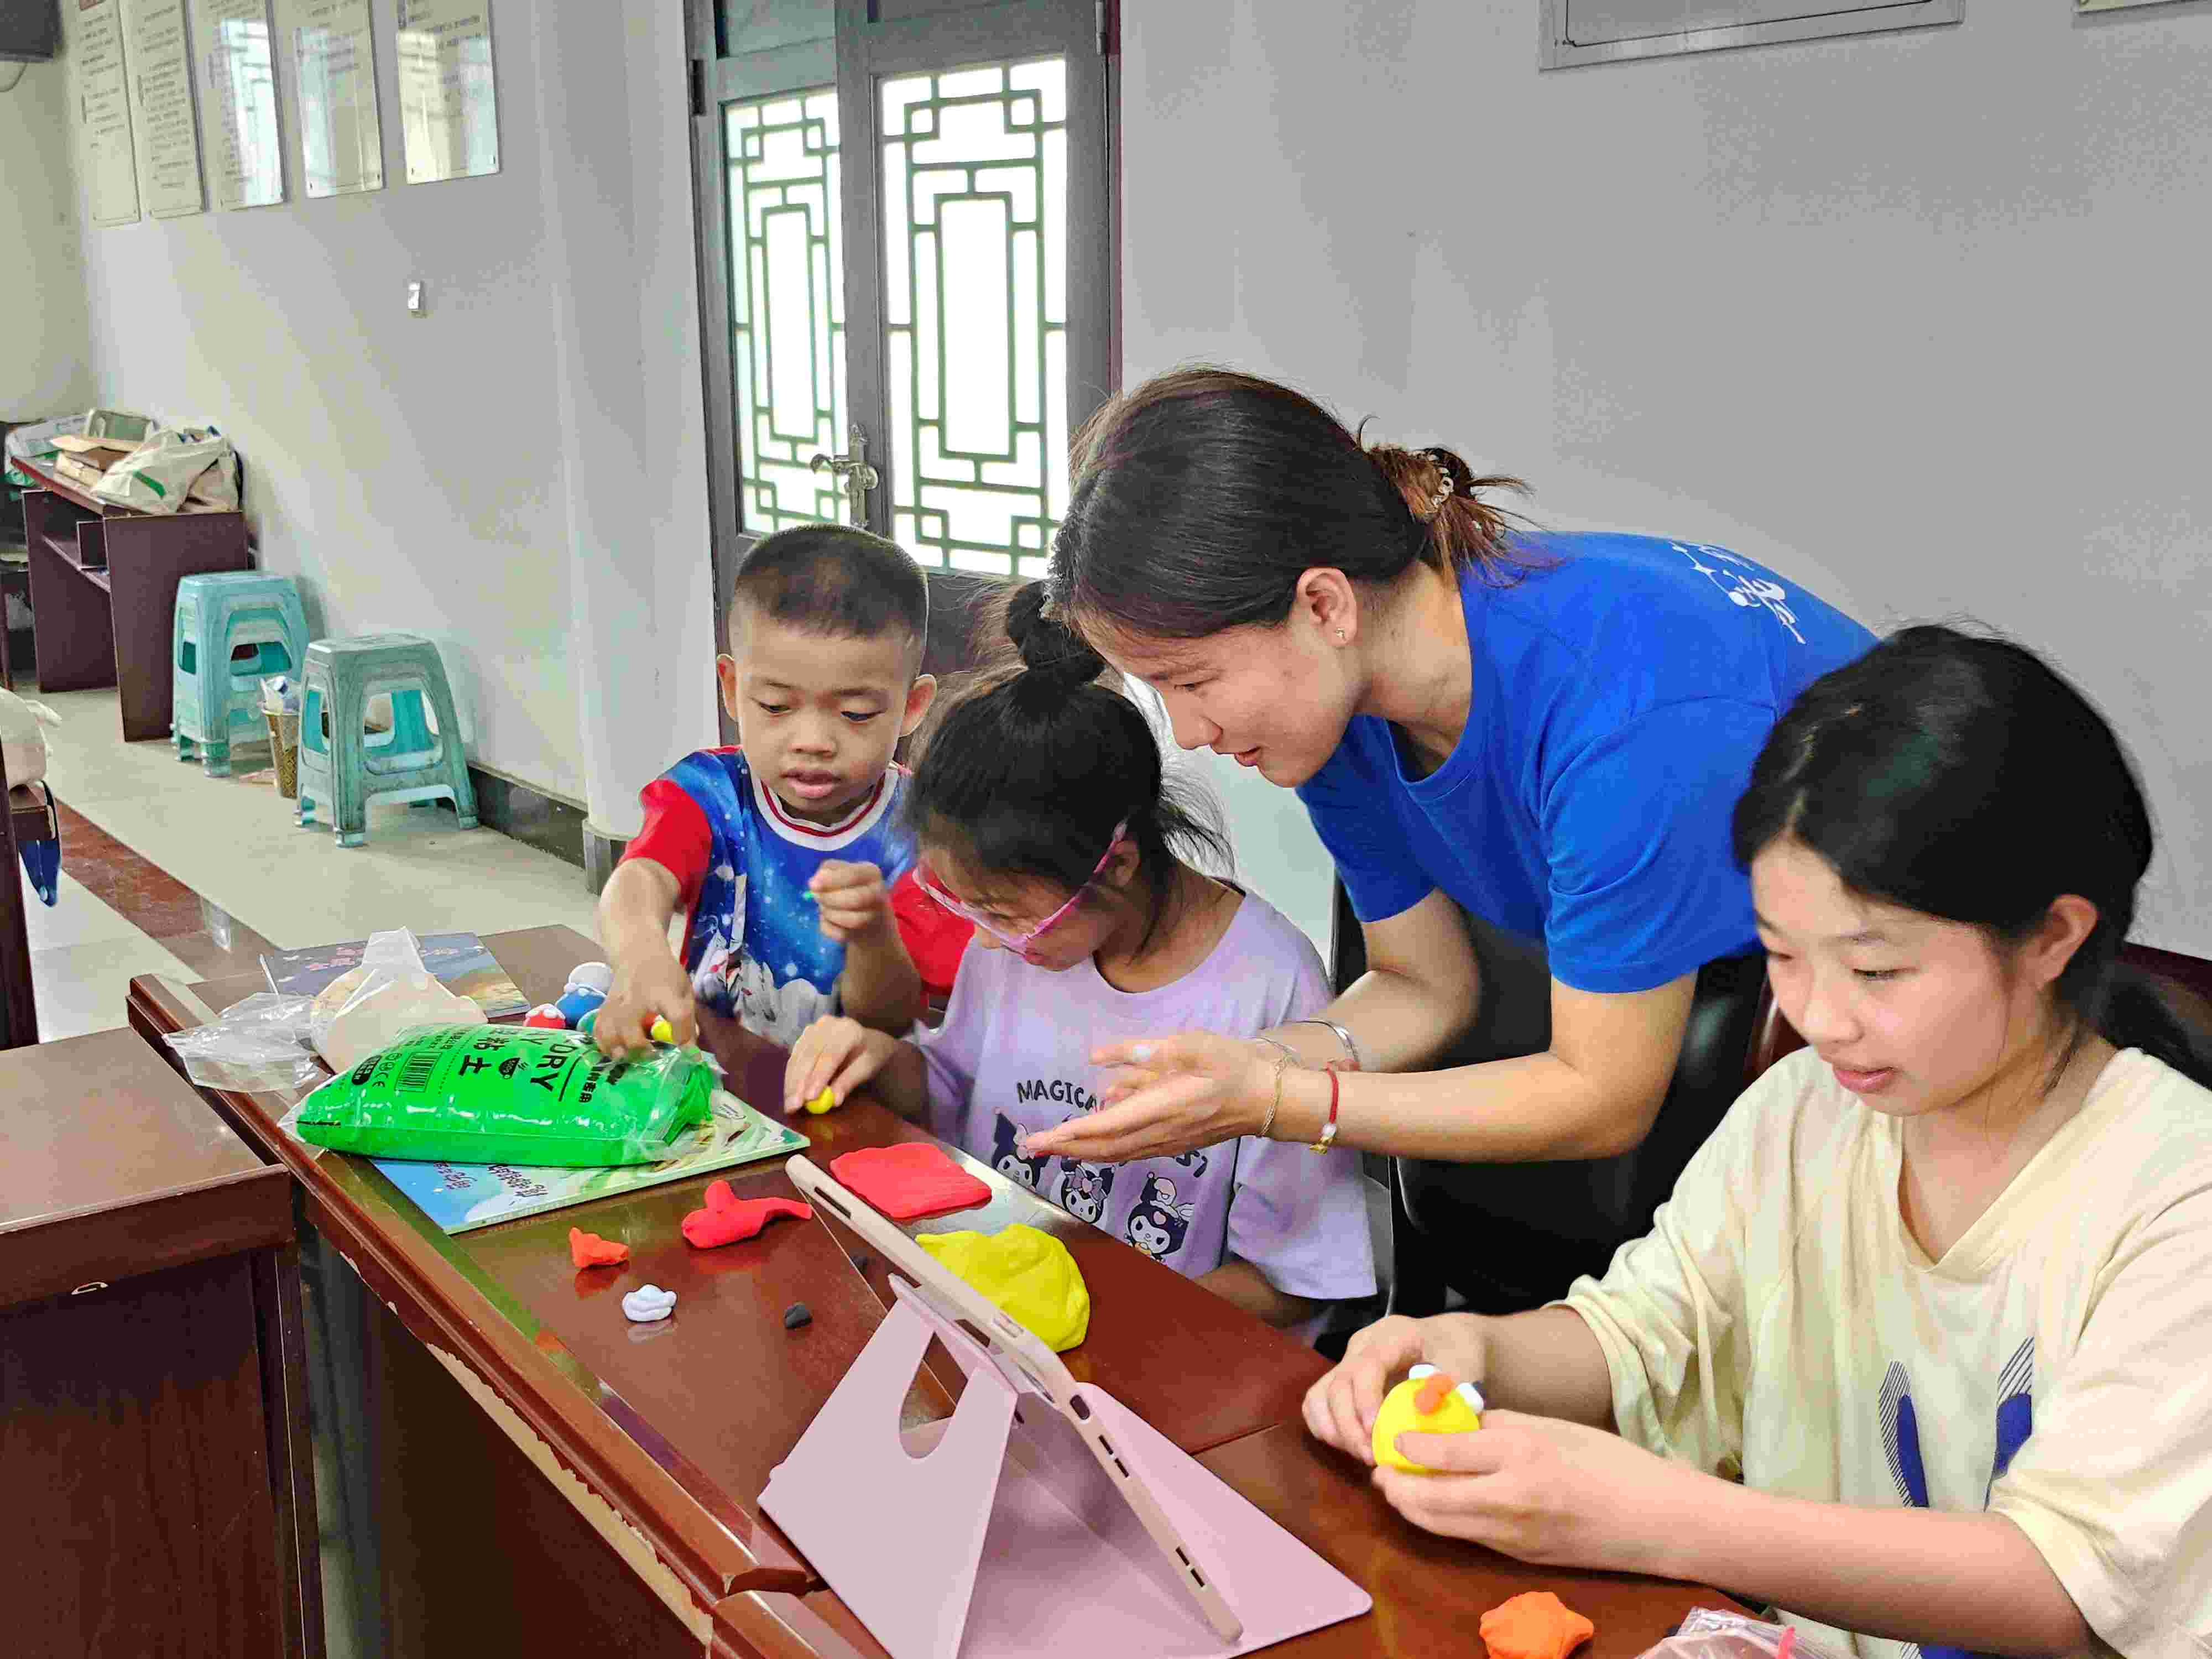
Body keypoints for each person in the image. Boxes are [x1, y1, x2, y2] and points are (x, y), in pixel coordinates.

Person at [1303, 626, 2212, 1656]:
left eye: (1876, 973)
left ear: (2054, 936)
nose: (1820, 1017)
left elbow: (2071, 1589)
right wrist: (1478, 1351)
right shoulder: (1807, 1114)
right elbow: (1649, 1329)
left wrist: (1661, 1518)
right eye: (1783, 956)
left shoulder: (2177, 1196)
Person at [1023, 369, 1873, 1220]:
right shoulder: (1345, 720)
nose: (1191, 732)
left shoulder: (1623, 718)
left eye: (1194, 680)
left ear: (1324, 605)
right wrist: (1241, 1069)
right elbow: (1424, 985)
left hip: (1897, 1009)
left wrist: (1276, 1103)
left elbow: (1603, 1095)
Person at [784, 586, 1377, 1331]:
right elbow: (949, 1096)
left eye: (1003, 914)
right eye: (970, 909)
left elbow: (1294, 1284)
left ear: (1117, 864)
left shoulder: (1267, 985)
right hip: (999, 1329)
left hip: (1158, 1358)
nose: (991, 941)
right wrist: (875, 1055)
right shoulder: (1013, 940)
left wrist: (1085, 1311)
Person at [594, 525, 969, 1054]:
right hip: (710, 1076)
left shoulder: (925, 832)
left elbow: (892, 1017)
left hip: (847, 1107)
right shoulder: (710, 794)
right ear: (731, 687)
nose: (812, 742)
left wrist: (872, 934)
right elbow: (640, 878)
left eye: (855, 714)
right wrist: (640, 956)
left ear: (912, 705)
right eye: (775, 706)